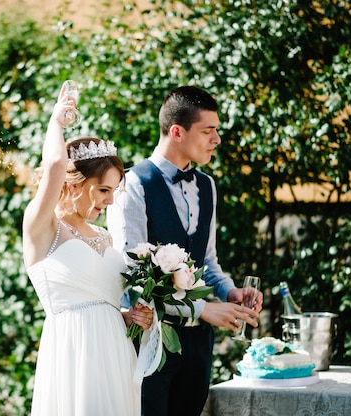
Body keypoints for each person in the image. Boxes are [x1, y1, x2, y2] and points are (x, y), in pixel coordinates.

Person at [107, 85, 264, 416]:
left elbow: (207, 260)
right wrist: (204, 308)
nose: (216, 139)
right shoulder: (132, 186)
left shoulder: (207, 185)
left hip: (198, 346)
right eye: (208, 131)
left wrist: (229, 290)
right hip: (150, 341)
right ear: (177, 131)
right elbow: (131, 277)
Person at [22, 85, 155, 415]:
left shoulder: (104, 236)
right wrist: (56, 123)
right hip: (73, 357)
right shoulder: (42, 226)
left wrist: (128, 317)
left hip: (117, 356)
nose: (111, 201)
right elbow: (54, 164)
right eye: (103, 190)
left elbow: (100, 304)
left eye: (114, 191)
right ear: (73, 183)